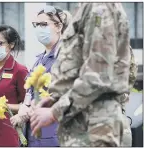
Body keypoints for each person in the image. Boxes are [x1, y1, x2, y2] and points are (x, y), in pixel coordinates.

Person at [29, 3, 133, 147]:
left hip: (94, 127)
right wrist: (55, 99)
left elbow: (98, 75)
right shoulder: (86, 8)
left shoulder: (100, 8)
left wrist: (55, 111)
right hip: (81, 126)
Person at [8, 6, 71, 147]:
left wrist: (26, 113)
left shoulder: (66, 56)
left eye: (43, 24)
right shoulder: (39, 60)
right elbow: (29, 95)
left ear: (58, 26)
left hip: (56, 130)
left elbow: (62, 94)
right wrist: (23, 111)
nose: (38, 28)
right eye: (36, 25)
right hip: (35, 133)